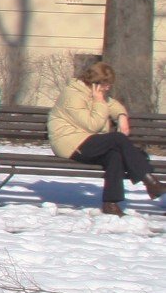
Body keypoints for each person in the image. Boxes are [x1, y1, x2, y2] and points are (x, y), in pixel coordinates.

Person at [49, 61, 164, 215]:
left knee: (114, 155)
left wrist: (121, 115)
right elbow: (93, 125)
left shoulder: (93, 93)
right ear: (95, 83)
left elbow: (113, 105)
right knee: (117, 139)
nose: (108, 88)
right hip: (69, 142)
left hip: (86, 140)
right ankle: (150, 182)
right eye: (106, 84)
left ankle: (111, 204)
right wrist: (99, 102)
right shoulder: (73, 96)